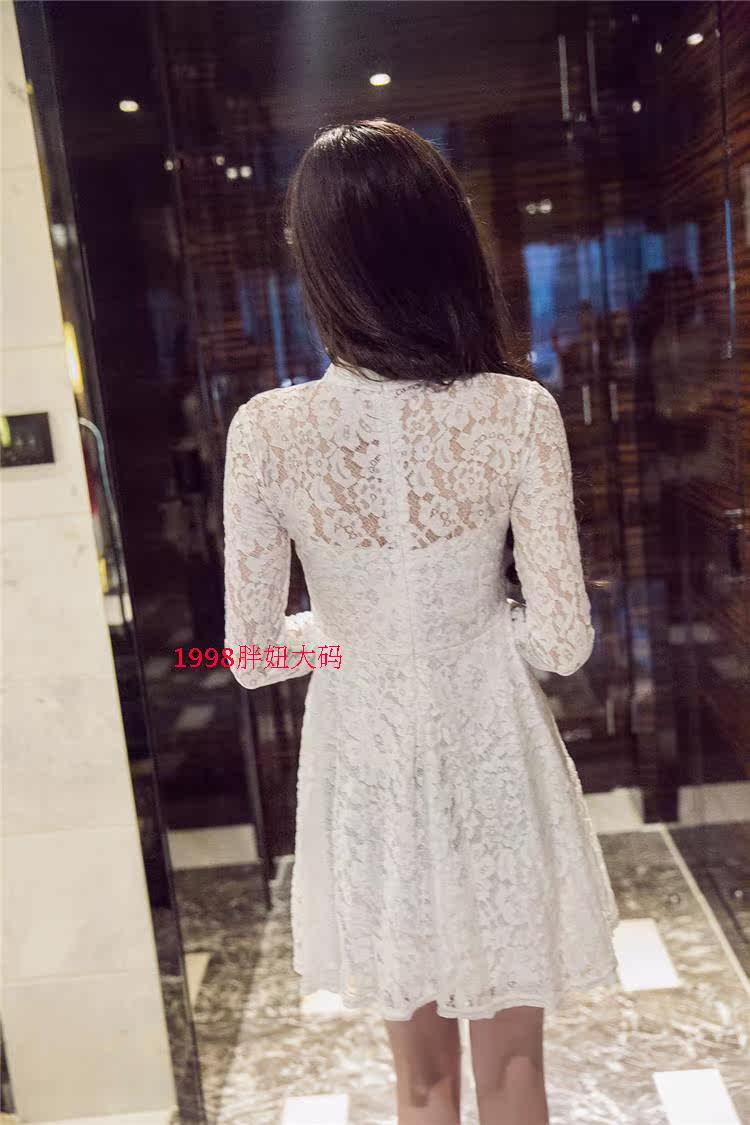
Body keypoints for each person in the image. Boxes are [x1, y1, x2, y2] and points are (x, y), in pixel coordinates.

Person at [223, 119, 619, 1125]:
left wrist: (347, 634)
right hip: (491, 756)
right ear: (447, 242)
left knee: (421, 1083)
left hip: (368, 769)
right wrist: (474, 626)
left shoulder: (267, 431)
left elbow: (252, 655)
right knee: (516, 1071)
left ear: (318, 265)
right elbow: (563, 641)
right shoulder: (516, 412)